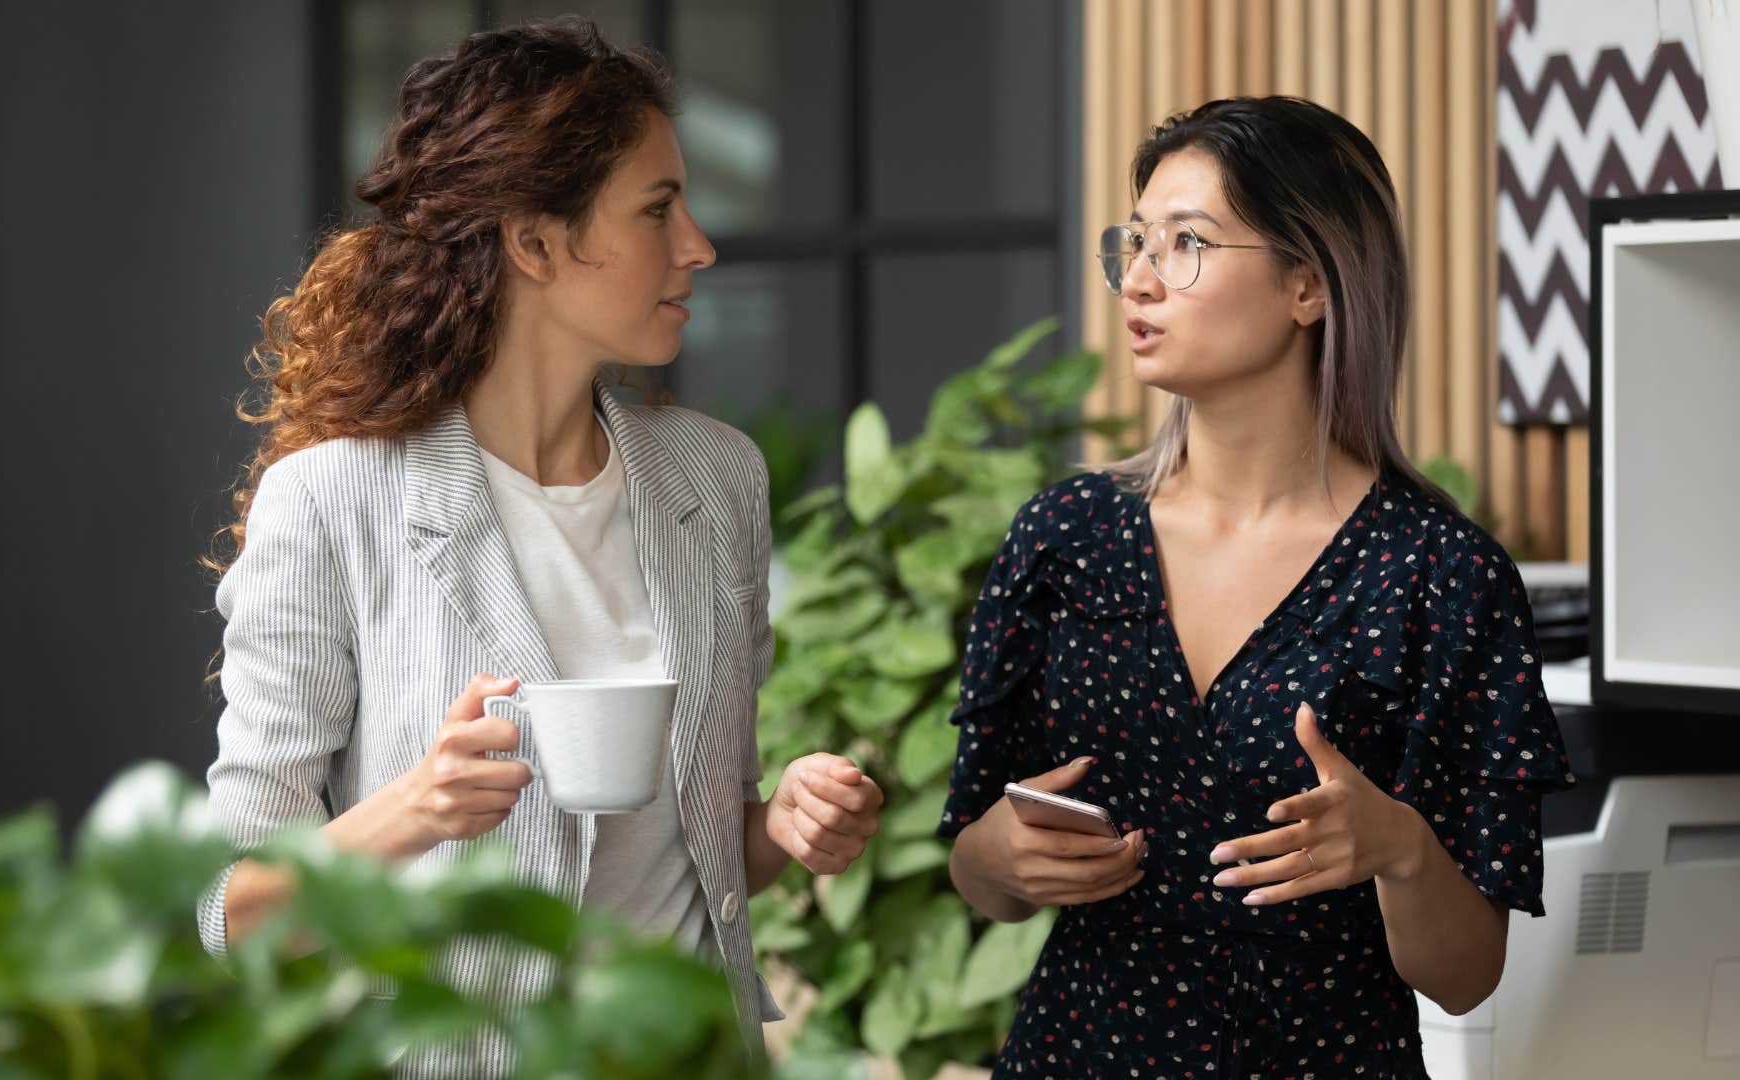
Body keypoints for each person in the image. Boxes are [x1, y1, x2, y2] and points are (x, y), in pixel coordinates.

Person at [196, 18, 883, 1076]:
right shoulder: (330, 500)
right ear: (534, 240)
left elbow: (708, 845)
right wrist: (412, 812)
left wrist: (783, 823)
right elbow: (231, 911)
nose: (697, 244)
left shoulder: (716, 477)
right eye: (658, 209)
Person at [938, 96, 1575, 1078]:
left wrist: (1400, 847)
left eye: (1186, 243)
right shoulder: (1064, 537)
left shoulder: (1442, 575)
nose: (1139, 280)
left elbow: (1464, 976)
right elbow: (980, 874)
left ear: (1307, 285)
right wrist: (998, 859)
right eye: (1134, 243)